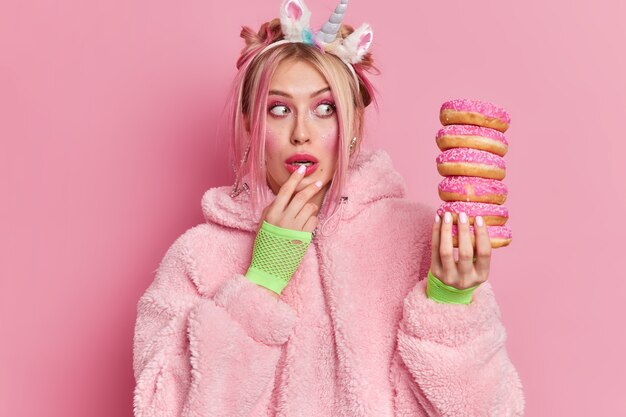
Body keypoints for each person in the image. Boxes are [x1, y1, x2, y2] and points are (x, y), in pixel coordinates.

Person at [132, 0, 525, 415]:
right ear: (251, 124)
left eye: (325, 109)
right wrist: (260, 285)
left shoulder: (422, 241)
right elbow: (162, 408)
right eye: (279, 109)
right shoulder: (197, 259)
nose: (301, 132)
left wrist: (449, 306)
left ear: (352, 123)